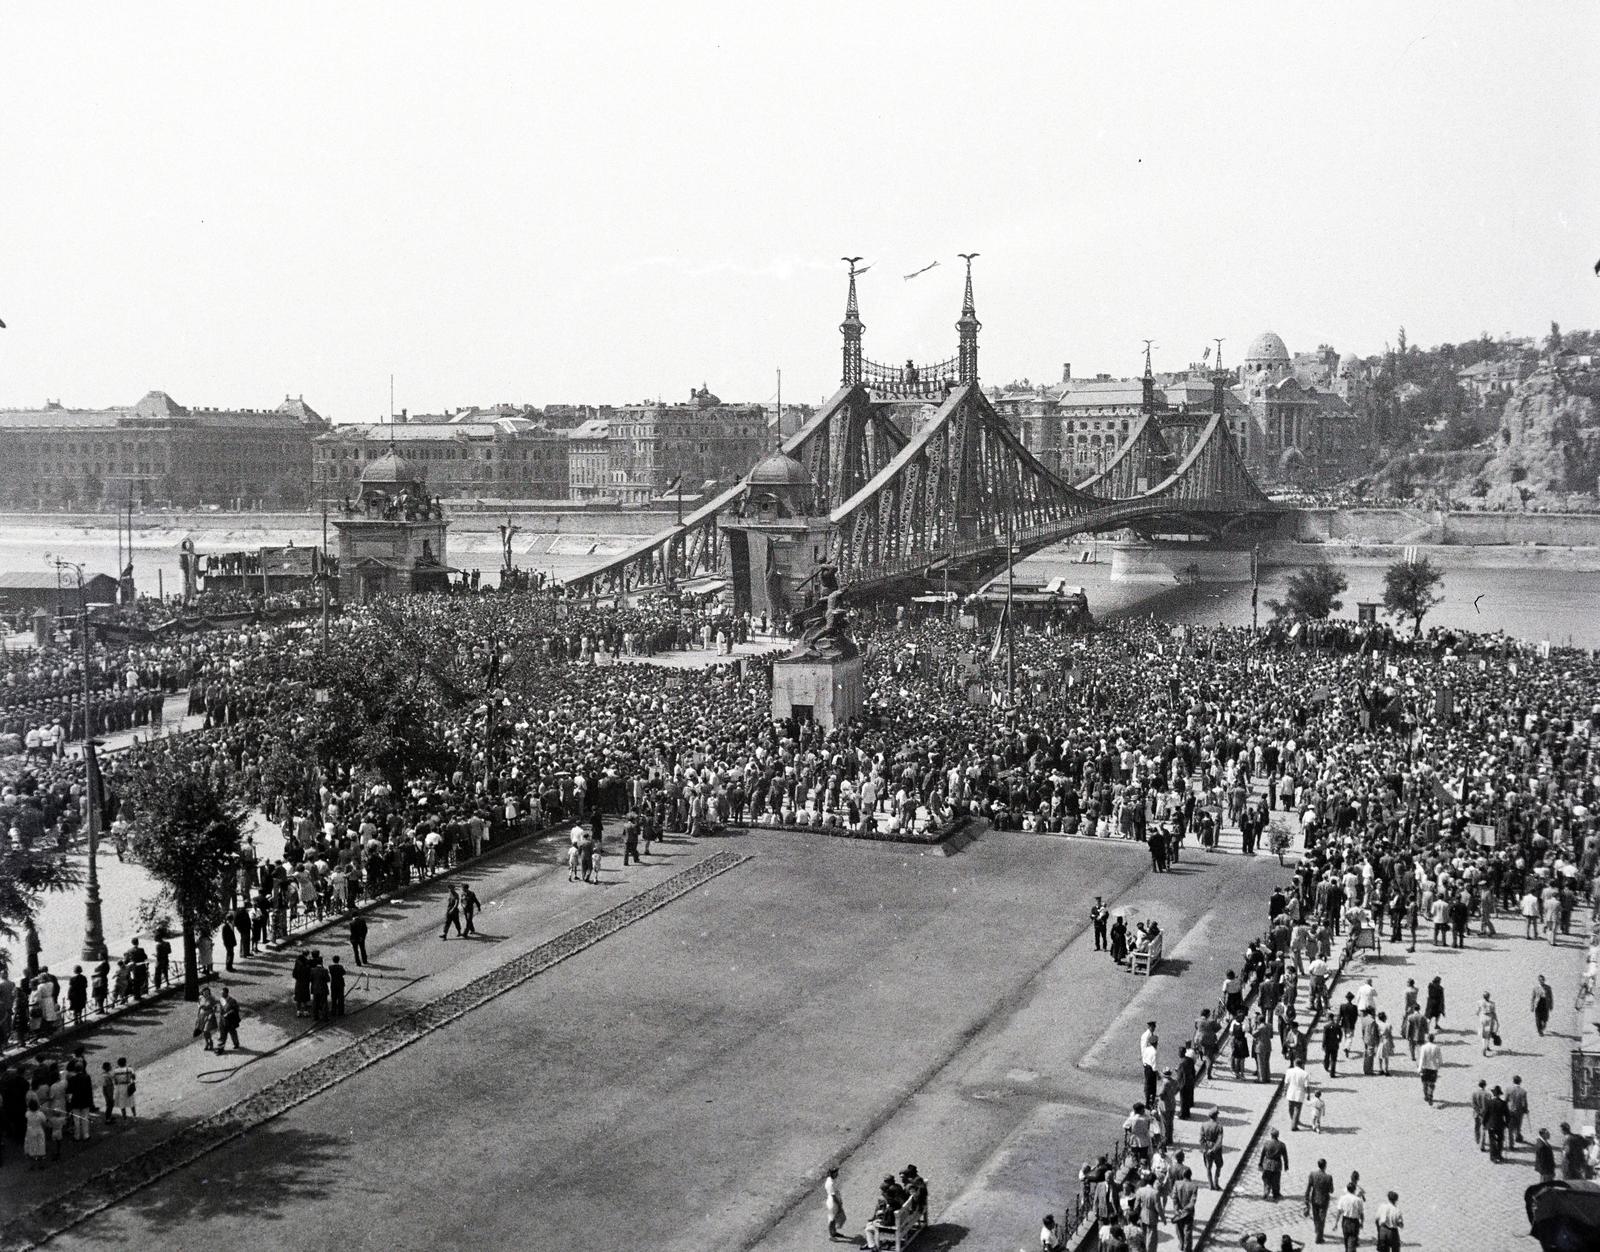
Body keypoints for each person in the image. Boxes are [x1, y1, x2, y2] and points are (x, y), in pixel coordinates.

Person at [1304, 1158, 1334, 1244]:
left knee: (1316, 1216)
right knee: (1322, 1218)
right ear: (1325, 1166)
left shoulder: (1312, 1174)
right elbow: (1331, 1190)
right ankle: (1319, 1237)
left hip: (1314, 1199)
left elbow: (1308, 1188)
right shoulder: (1328, 1177)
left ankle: (1317, 1230)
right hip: (1324, 1200)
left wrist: (1306, 1199)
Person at [1170, 1165, 1200, 1252]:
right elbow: (1192, 1202)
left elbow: (1174, 1197)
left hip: (1178, 1212)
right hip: (1188, 1213)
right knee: (1188, 1231)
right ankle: (1187, 1249)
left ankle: (1181, 1244)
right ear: (1190, 1175)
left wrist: (1177, 1209)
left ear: (1183, 1175)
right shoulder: (1194, 1186)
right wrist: (1185, 1210)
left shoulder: (1177, 1183)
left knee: (1179, 1229)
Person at [1334, 1180, 1364, 1252]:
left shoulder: (1342, 1198)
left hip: (1345, 1221)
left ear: (1347, 1189)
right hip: (1354, 1222)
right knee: (1352, 1241)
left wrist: (1336, 1223)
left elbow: (1339, 1211)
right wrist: (1362, 1222)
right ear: (1354, 1190)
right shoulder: (1358, 1200)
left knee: (1346, 1239)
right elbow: (1361, 1213)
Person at [1258, 1129, 1288, 1200]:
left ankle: (1266, 1192)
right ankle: (1276, 1194)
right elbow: (1285, 1156)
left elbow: (1263, 1154)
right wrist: (1286, 1166)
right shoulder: (1282, 1145)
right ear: (1277, 1135)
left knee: (1266, 1179)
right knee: (1276, 1180)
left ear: (1271, 1135)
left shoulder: (1267, 1143)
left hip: (1267, 1164)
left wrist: (1260, 1163)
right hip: (1277, 1165)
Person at [1199, 1108, 1224, 1188]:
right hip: (1216, 1150)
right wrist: (1213, 1149)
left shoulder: (1204, 1125)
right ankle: (1216, 1183)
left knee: (1208, 1167)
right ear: (1216, 1116)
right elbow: (1219, 1140)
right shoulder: (1219, 1126)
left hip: (1207, 1148)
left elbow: (1201, 1139)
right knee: (1219, 1165)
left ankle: (1210, 1184)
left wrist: (1206, 1149)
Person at [1484, 1085, 1509, 1162]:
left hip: (1491, 1125)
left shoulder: (1489, 1103)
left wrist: (1484, 1123)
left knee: (1492, 1141)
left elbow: (1486, 1114)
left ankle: (1493, 1157)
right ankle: (1499, 1155)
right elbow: (1507, 1115)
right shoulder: (1503, 1103)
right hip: (1500, 1125)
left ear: (1493, 1094)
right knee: (1500, 1141)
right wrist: (1506, 1124)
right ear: (1499, 1094)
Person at [1285, 1059, 1310, 1130]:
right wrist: (1308, 1094)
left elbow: (1286, 1082)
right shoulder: (1305, 1073)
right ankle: (1294, 1124)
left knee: (1290, 1108)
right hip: (1300, 1093)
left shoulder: (1289, 1071)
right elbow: (1307, 1086)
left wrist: (1285, 1090)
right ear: (1302, 1065)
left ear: (1294, 1063)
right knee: (1297, 1109)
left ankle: (1293, 1120)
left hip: (1291, 1092)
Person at [1417, 1034, 1443, 1105]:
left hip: (1425, 1067)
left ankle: (1426, 1095)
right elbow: (1440, 1058)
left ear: (1427, 1039)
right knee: (1431, 1084)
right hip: (1433, 1068)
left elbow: (1421, 1058)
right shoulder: (1437, 1047)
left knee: (1425, 1083)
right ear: (1433, 1039)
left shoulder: (1424, 1047)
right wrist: (1439, 1064)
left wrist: (1419, 1068)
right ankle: (1430, 1095)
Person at [217, 986, 242, 1053]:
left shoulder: (232, 1000)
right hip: (223, 1020)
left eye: (223, 993)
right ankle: (220, 1049)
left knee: (232, 1032)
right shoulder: (221, 1000)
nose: (221, 994)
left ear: (226, 993)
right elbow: (221, 1010)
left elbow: (235, 1009)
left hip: (230, 1020)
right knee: (222, 1035)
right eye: (221, 993)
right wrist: (221, 1018)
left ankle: (236, 1043)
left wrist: (228, 1014)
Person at [1507, 1076, 1530, 1146]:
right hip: (1519, 1111)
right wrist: (1526, 1110)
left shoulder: (1508, 1090)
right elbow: (1525, 1103)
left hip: (1510, 1110)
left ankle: (1511, 1144)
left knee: (1510, 1127)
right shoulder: (1523, 1091)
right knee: (1518, 1124)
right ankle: (1518, 1136)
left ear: (1513, 1081)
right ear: (1520, 1082)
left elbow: (1506, 1100)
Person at [824, 1167, 846, 1241]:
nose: (837, 1174)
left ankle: (834, 1232)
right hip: (833, 1203)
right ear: (832, 1173)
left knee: (834, 1218)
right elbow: (833, 1196)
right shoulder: (830, 1183)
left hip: (833, 1201)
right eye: (836, 1173)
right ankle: (831, 1236)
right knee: (831, 1219)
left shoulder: (830, 1180)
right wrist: (839, 1204)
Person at [1477, 991, 1500, 1057]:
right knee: (1489, 1032)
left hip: (1483, 1018)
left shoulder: (1479, 1002)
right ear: (1489, 997)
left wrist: (1478, 1014)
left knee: (1483, 1033)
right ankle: (1486, 1047)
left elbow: (1478, 1011)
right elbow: (1494, 1012)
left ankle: (1485, 1046)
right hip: (1490, 1018)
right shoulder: (1492, 1004)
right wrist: (1497, 1020)